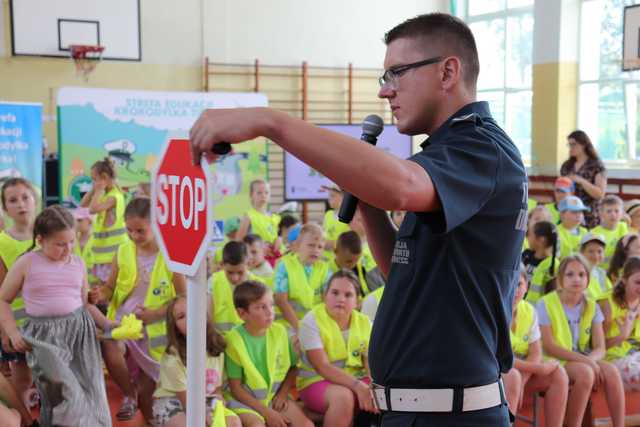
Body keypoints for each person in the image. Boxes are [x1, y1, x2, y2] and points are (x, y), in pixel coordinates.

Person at [190, 12, 526, 425]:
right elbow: (405, 273)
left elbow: (401, 186)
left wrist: (269, 121)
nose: (386, 91)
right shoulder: (445, 154)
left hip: (450, 413)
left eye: (397, 73)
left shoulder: (480, 147)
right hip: (418, 410)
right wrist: (367, 201)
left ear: (448, 71)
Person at [0, 205, 112, 426]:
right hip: (45, 338)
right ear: (40, 240)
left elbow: (85, 305)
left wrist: (111, 325)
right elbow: (3, 299)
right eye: (60, 244)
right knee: (67, 393)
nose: (68, 249)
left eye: (71, 241)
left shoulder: (77, 263)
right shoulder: (27, 262)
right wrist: (12, 332)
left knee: (93, 391)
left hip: (80, 334)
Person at [90, 197, 186, 423]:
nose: (134, 236)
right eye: (129, 230)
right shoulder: (123, 251)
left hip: (154, 335)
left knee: (147, 389)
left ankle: (150, 417)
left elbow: (183, 297)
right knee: (110, 343)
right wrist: (99, 294)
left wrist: (155, 314)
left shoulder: (171, 255)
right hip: (123, 325)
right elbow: (110, 287)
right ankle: (127, 393)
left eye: (140, 231)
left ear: (157, 225)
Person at [537, 255, 625, 427]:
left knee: (612, 372)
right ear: (560, 279)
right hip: (555, 360)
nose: (576, 279)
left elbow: (600, 347)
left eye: (581, 274)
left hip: (583, 358)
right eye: (570, 274)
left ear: (588, 279)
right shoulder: (545, 303)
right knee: (586, 373)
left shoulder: (592, 305)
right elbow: (549, 346)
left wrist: (590, 360)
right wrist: (587, 362)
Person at [225, 280, 313, 427]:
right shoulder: (233, 341)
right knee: (257, 425)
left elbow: (293, 368)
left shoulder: (280, 331)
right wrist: (267, 413)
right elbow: (236, 389)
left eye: (271, 305)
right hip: (243, 403)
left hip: (273, 398)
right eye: (261, 307)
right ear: (242, 313)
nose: (270, 311)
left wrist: (283, 394)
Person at [298, 270, 377, 427]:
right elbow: (322, 366)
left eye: (348, 295)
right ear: (324, 296)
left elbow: (370, 363)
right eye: (334, 293)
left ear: (357, 301)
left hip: (356, 380)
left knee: (383, 392)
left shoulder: (365, 322)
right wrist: (358, 386)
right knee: (344, 397)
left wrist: (374, 385)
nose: (340, 299)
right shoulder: (311, 321)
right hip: (316, 381)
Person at [152, 296, 240, 427]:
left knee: (233, 422)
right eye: (181, 316)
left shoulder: (216, 346)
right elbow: (187, 402)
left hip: (205, 399)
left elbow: (216, 388)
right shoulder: (172, 357)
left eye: (193, 310)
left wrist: (219, 402)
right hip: (174, 402)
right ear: (175, 327)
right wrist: (207, 418)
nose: (190, 319)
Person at [502, 265, 568, 426]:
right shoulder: (494, 309)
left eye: (519, 284)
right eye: (511, 284)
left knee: (558, 374)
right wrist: (538, 369)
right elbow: (500, 358)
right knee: (513, 376)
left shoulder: (529, 311)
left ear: (527, 287)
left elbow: (536, 353)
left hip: (521, 373)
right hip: (497, 373)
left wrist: (524, 380)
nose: (515, 290)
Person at [0, 178, 37, 407]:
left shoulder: (49, 234)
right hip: (19, 325)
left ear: (35, 200)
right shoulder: (2, 243)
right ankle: (23, 419)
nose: (21, 204)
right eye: (13, 200)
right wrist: (5, 331)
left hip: (51, 324)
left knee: (54, 379)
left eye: (25, 197)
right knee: (22, 379)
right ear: (5, 208)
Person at [80, 158, 128, 285]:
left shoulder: (114, 197)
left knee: (110, 288)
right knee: (102, 288)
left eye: (94, 179)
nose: (93, 182)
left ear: (104, 178)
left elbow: (92, 209)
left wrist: (99, 190)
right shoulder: (106, 194)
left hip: (113, 254)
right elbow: (83, 204)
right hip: (103, 254)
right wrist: (93, 190)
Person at [273, 223, 329, 332]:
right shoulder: (284, 266)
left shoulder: (324, 269)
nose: (315, 250)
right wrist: (300, 328)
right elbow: (281, 301)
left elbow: (326, 301)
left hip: (314, 325)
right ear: (298, 246)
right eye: (311, 245)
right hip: (287, 325)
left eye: (320, 247)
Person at [599, 257, 640, 391]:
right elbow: (596, 347)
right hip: (611, 359)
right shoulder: (607, 304)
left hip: (634, 354)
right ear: (624, 280)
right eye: (638, 282)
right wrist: (621, 336)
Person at [210, 241, 260, 334]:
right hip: (221, 341)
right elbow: (207, 319)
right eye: (230, 272)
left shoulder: (258, 286)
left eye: (240, 272)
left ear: (248, 264)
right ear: (222, 264)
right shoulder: (213, 282)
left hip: (247, 343)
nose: (235, 278)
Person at [560, 130, 606, 228]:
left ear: (584, 145)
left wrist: (581, 180)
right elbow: (560, 190)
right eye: (569, 145)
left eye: (574, 144)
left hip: (591, 214)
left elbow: (600, 194)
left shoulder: (596, 165)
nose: (571, 148)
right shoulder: (567, 166)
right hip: (570, 214)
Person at [238, 180, 281, 260]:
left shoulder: (276, 218)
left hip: (275, 260)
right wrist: (258, 247)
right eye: (259, 193)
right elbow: (239, 242)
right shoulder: (248, 216)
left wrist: (280, 240)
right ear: (251, 195)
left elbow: (280, 238)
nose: (263, 195)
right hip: (256, 261)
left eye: (266, 192)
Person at [592, 195, 629, 269]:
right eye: (609, 211)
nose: (613, 214)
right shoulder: (594, 233)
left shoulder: (623, 227)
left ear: (622, 214)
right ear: (601, 214)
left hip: (620, 270)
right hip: (602, 271)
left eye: (616, 211)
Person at [526, 221, 558, 303]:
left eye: (529, 235)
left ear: (541, 240)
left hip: (538, 311)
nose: (527, 238)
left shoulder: (554, 265)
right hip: (522, 309)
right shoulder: (525, 256)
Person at [321, 184, 351, 258]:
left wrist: (332, 244)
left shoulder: (350, 215)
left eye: (333, 196)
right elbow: (324, 234)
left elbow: (350, 241)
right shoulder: (328, 214)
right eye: (329, 196)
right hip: (326, 259)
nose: (329, 199)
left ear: (343, 197)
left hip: (340, 258)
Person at [580, 233, 612, 299]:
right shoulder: (577, 273)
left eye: (599, 251)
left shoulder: (601, 272)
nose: (596, 255)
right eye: (590, 251)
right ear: (581, 253)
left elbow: (609, 293)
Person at [73, 207, 98, 287]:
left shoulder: (97, 240)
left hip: (95, 285)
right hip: (77, 284)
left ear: (90, 220)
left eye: (80, 220)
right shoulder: (71, 240)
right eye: (75, 220)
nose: (76, 223)